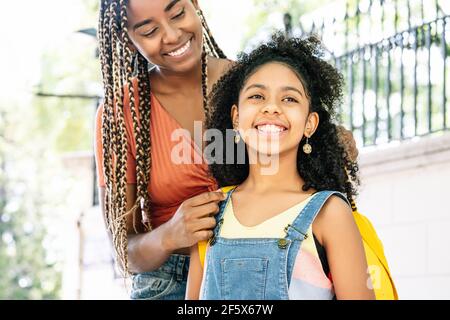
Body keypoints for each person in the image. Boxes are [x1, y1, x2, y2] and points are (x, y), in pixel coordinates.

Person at [95, 0, 358, 300]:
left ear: (195, 6)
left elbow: (307, 145)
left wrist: (330, 142)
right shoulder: (119, 115)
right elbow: (124, 253)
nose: (171, 35)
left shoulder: (251, 86)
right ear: (127, 40)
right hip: (165, 284)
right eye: (150, 30)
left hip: (262, 266)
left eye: (178, 13)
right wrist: (170, 235)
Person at [186, 34, 375, 300]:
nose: (272, 107)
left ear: (310, 123)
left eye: (289, 99)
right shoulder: (211, 212)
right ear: (236, 118)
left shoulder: (330, 214)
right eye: (257, 96)